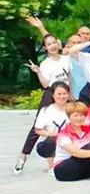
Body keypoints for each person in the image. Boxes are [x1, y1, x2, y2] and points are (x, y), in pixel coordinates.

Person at [14, 33, 73, 174]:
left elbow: (69, 77)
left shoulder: (66, 59)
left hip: (65, 93)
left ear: (57, 44)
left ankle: (64, 158)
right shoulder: (45, 63)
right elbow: (46, 84)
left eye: (54, 43)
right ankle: (23, 157)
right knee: (38, 126)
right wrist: (38, 72)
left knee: (70, 123)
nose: (52, 46)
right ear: (45, 48)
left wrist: (71, 95)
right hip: (50, 94)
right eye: (49, 44)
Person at [32, 81, 70, 173]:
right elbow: (37, 130)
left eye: (64, 94)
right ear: (53, 95)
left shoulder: (73, 108)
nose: (62, 96)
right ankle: (52, 166)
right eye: (59, 94)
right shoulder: (46, 110)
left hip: (70, 140)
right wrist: (49, 133)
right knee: (53, 140)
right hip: (50, 142)